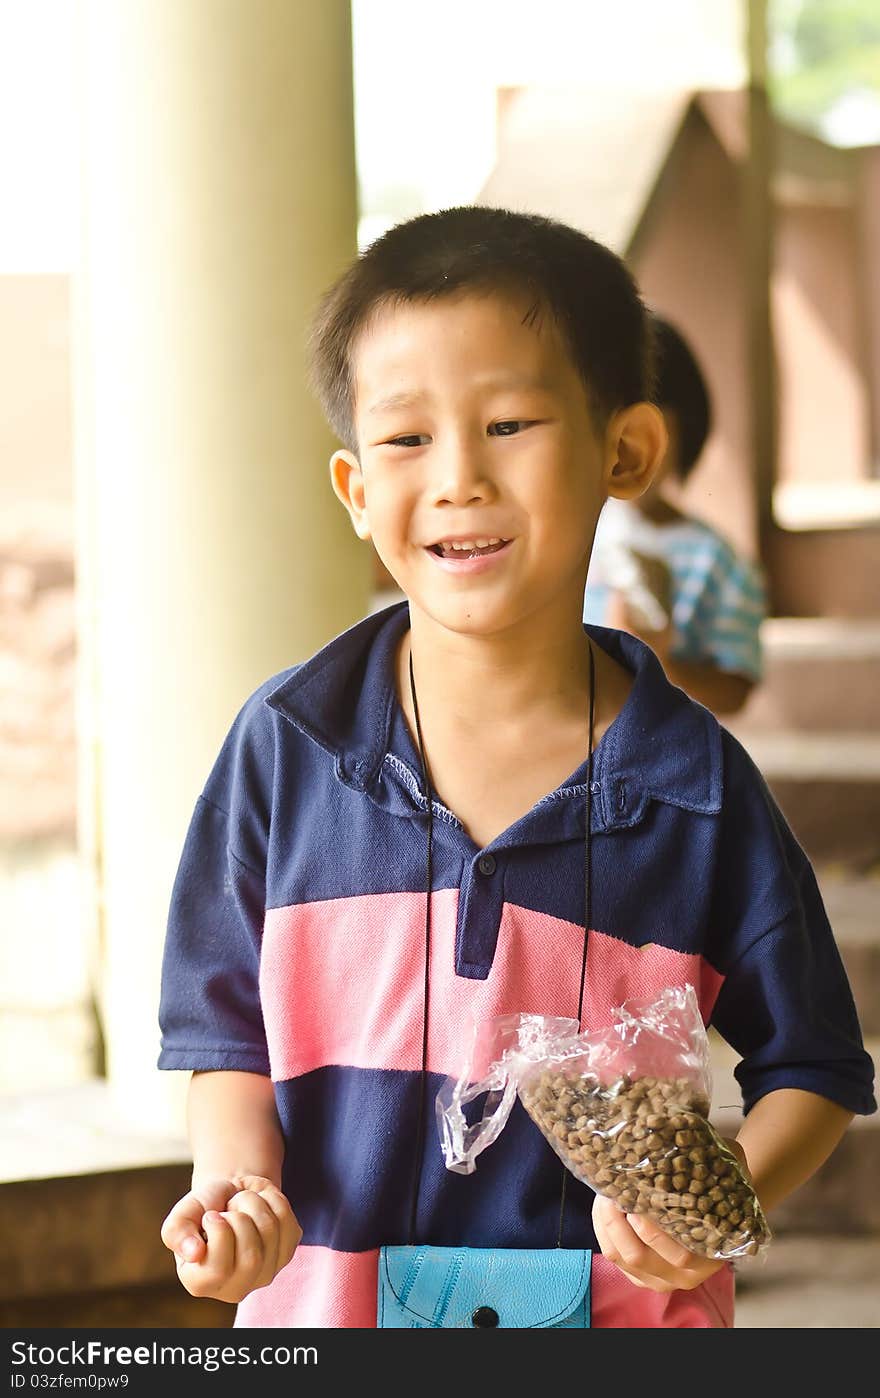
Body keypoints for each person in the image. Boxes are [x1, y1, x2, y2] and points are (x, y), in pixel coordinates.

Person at [157, 206, 875, 1329]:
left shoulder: (697, 789)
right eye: (405, 439)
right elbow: (223, 1035)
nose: (456, 479)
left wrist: (715, 1204)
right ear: (354, 490)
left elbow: (819, 1069)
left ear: (625, 450)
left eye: (508, 423)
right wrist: (237, 1184)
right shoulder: (286, 749)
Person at [583, 315, 765, 715]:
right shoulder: (566, 537)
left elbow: (735, 690)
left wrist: (662, 662)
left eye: (644, 429)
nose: (623, 449)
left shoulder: (717, 560)